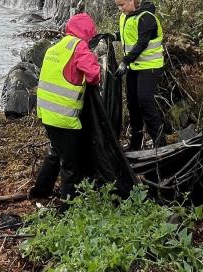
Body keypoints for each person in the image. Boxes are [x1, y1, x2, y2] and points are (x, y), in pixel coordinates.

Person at [29, 13, 102, 201]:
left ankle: (40, 192)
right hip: (65, 117)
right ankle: (67, 206)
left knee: (55, 152)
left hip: (47, 113)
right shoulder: (79, 47)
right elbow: (94, 75)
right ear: (87, 32)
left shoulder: (55, 47)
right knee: (71, 165)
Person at [113, 0, 166, 150]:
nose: (120, 9)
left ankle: (160, 144)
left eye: (122, 4)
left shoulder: (146, 18)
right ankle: (135, 143)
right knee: (133, 104)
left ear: (132, 1)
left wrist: (125, 61)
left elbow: (142, 42)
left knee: (145, 102)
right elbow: (128, 35)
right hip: (134, 66)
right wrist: (114, 35)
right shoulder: (125, 16)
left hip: (150, 66)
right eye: (117, 5)